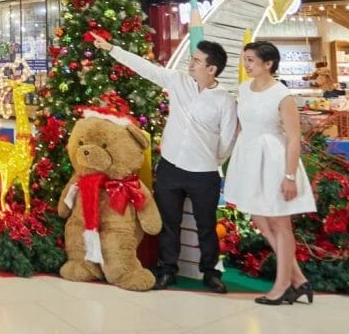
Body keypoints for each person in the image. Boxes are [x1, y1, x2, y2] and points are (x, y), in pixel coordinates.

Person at [92, 33, 237, 293]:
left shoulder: (225, 100)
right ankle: (167, 269)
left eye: (197, 61)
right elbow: (146, 68)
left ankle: (210, 272)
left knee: (206, 224)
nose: (190, 64)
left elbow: (227, 141)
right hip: (171, 167)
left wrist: (208, 160)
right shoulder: (179, 81)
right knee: (168, 222)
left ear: (211, 68)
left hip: (204, 173)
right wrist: (112, 48)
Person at [225, 41, 317, 306]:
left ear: (269, 64)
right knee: (262, 221)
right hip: (250, 159)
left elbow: (294, 138)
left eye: (252, 60)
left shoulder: (282, 94)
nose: (247, 64)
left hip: (275, 161)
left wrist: (289, 176)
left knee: (280, 223)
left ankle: (282, 285)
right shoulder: (244, 89)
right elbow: (243, 127)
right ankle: (298, 279)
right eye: (245, 59)